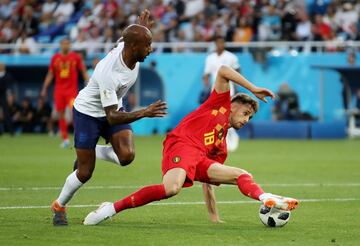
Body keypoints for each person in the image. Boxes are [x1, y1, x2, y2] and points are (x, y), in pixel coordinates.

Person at [83, 65, 299, 226]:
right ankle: (109, 209)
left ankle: (265, 197)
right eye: (245, 114)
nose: (245, 120)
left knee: (241, 174)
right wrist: (253, 89)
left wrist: (214, 217)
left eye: (250, 118)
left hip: (198, 157)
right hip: (182, 145)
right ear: (233, 106)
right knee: (172, 188)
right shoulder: (219, 103)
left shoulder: (220, 145)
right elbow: (223, 70)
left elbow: (208, 183)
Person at [50, 10, 168, 226]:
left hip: (113, 107)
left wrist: (142, 27)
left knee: (127, 155)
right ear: (134, 47)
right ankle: (59, 205)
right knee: (85, 172)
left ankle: (90, 151)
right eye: (147, 45)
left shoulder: (131, 47)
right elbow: (112, 117)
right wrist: (144, 111)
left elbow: (131, 36)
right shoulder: (109, 72)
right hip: (88, 112)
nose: (150, 50)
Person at [41, 37, 89, 148]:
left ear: (70, 45)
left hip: (72, 91)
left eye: (67, 44)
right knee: (61, 114)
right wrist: (44, 88)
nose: (66, 46)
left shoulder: (75, 57)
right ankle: (65, 139)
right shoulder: (55, 58)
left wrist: (88, 83)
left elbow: (83, 71)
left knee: (74, 112)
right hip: (59, 91)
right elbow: (50, 74)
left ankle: (80, 137)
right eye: (64, 44)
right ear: (60, 45)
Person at [203, 36, 241, 152]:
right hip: (214, 93)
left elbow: (238, 71)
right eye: (218, 43)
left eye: (222, 43)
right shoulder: (210, 58)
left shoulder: (231, 57)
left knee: (228, 115)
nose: (220, 45)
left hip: (229, 91)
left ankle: (233, 138)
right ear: (215, 44)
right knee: (216, 117)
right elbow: (206, 74)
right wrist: (206, 86)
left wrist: (236, 86)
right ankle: (219, 141)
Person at [0, 63, 16, 135]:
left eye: (2, 66)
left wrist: (10, 96)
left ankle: (11, 131)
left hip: (4, 96)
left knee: (6, 114)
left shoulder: (8, 76)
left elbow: (10, 88)